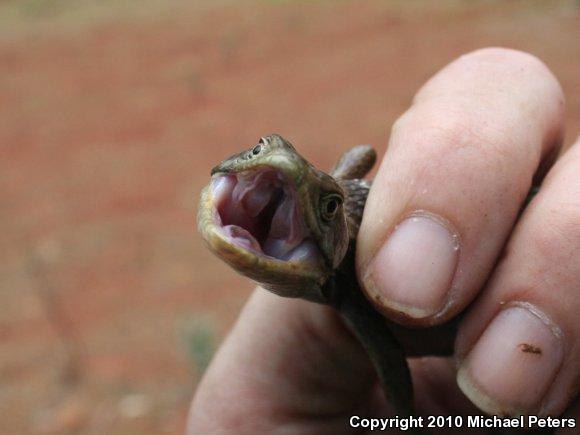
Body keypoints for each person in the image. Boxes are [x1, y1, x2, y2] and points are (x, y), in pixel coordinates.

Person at [188, 48, 579, 433]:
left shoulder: (350, 287)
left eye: (326, 210)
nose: (275, 162)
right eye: (259, 150)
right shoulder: (341, 284)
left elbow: (392, 364)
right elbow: (362, 154)